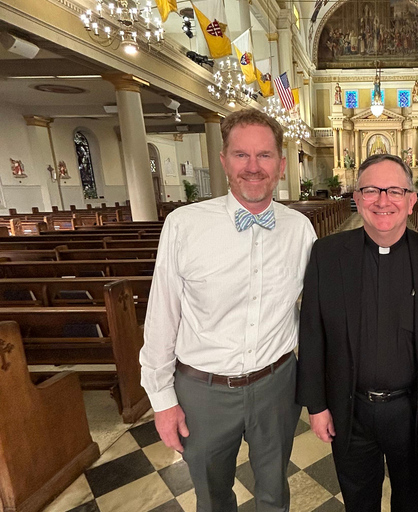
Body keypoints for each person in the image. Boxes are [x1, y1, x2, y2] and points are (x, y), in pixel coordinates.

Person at [140, 109, 316, 512]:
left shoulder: (299, 229)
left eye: (264, 156)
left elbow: (315, 312)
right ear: (223, 160)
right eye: (241, 155)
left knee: (274, 491)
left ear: (281, 164)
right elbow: (161, 316)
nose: (253, 168)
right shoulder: (185, 225)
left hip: (276, 385)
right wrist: (161, 399)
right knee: (212, 495)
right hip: (203, 391)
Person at [296, 154, 418, 511]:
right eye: (371, 190)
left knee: (410, 500)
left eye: (394, 191)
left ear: (411, 201)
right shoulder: (326, 254)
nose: (383, 201)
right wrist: (317, 405)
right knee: (358, 501)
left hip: (414, 411)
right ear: (356, 198)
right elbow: (312, 331)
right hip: (349, 408)